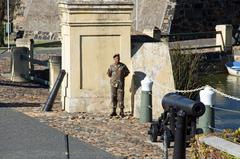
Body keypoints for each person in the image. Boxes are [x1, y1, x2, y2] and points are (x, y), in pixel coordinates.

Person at [107, 54, 130, 118]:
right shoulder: (111, 66)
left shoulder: (123, 66)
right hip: (113, 84)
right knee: (113, 97)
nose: (118, 59)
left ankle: (121, 111)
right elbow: (109, 74)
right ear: (114, 59)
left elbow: (127, 72)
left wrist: (122, 77)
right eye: (116, 58)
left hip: (120, 84)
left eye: (118, 58)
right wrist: (113, 79)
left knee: (120, 97)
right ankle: (114, 111)